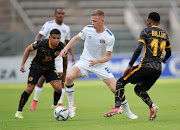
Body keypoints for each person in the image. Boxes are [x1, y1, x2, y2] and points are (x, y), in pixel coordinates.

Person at [60, 9, 138, 119]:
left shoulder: (109, 37)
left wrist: (96, 61)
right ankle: (71, 106)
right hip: (84, 62)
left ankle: (129, 112)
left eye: (95, 21)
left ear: (102, 21)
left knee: (116, 89)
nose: (92, 23)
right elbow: (77, 38)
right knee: (68, 77)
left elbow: (108, 57)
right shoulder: (88, 29)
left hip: (100, 65)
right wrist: (65, 48)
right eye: (92, 21)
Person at [104, 12, 171, 121]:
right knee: (139, 89)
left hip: (146, 66)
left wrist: (130, 65)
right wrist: (163, 60)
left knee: (121, 82)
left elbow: (139, 48)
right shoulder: (165, 34)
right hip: (158, 69)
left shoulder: (146, 31)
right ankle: (152, 106)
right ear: (159, 22)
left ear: (149, 21)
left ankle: (117, 107)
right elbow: (169, 53)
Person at [15, 29, 67, 118]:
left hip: (49, 68)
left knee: (59, 88)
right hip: (36, 67)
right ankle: (19, 111)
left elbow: (65, 61)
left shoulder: (62, 47)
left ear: (60, 38)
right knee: (29, 89)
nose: (56, 40)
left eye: (58, 38)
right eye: (54, 38)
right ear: (50, 37)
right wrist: (22, 64)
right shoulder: (41, 43)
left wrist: (64, 74)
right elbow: (28, 49)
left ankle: (54, 106)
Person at [30, 8, 75, 110]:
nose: (60, 15)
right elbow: (38, 36)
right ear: (55, 14)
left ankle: (59, 103)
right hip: (48, 56)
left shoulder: (66, 28)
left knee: (62, 79)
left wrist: (71, 55)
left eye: (62, 13)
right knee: (42, 78)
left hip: (60, 56)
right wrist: (39, 48)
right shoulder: (48, 24)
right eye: (58, 13)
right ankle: (35, 100)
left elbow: (68, 43)